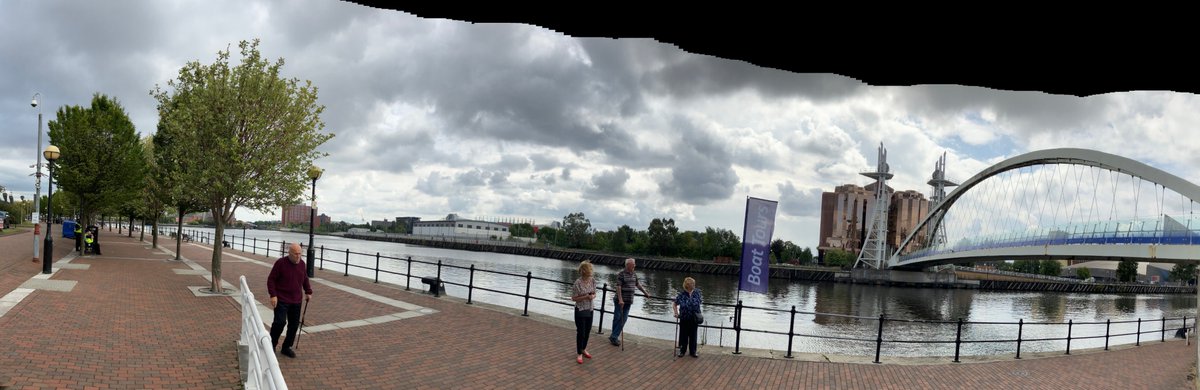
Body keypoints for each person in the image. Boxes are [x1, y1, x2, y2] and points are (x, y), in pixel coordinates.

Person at [268, 243, 313, 358]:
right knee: (280, 322)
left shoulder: (302, 264)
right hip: (282, 299)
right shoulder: (280, 263)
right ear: (289, 253)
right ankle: (271, 345)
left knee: (294, 325)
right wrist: (273, 295)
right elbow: (271, 280)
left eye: (300, 254)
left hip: (296, 300)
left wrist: (308, 291)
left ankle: (286, 347)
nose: (298, 256)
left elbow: (305, 279)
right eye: (296, 254)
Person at [609, 257, 649, 346]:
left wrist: (645, 293)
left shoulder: (634, 274)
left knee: (624, 319)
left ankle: (613, 336)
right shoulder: (621, 274)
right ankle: (614, 337)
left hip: (629, 301)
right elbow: (618, 287)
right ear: (628, 265)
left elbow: (638, 285)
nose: (635, 265)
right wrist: (620, 299)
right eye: (633, 264)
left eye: (634, 264)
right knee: (617, 318)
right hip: (620, 301)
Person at [570, 261, 596, 364]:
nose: (591, 271)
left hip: (590, 309)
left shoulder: (593, 281)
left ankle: (584, 348)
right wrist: (586, 297)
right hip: (580, 309)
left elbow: (594, 293)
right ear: (584, 271)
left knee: (588, 330)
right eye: (589, 269)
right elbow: (574, 298)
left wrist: (592, 296)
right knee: (581, 332)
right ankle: (579, 353)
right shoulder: (577, 283)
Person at [672, 277, 703, 358]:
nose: (694, 285)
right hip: (684, 317)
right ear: (687, 285)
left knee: (693, 335)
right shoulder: (681, 294)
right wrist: (676, 313)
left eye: (694, 284)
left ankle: (693, 351)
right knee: (684, 335)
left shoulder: (697, 293)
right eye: (692, 284)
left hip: (694, 318)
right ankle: (682, 350)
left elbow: (699, 302)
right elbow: (675, 304)